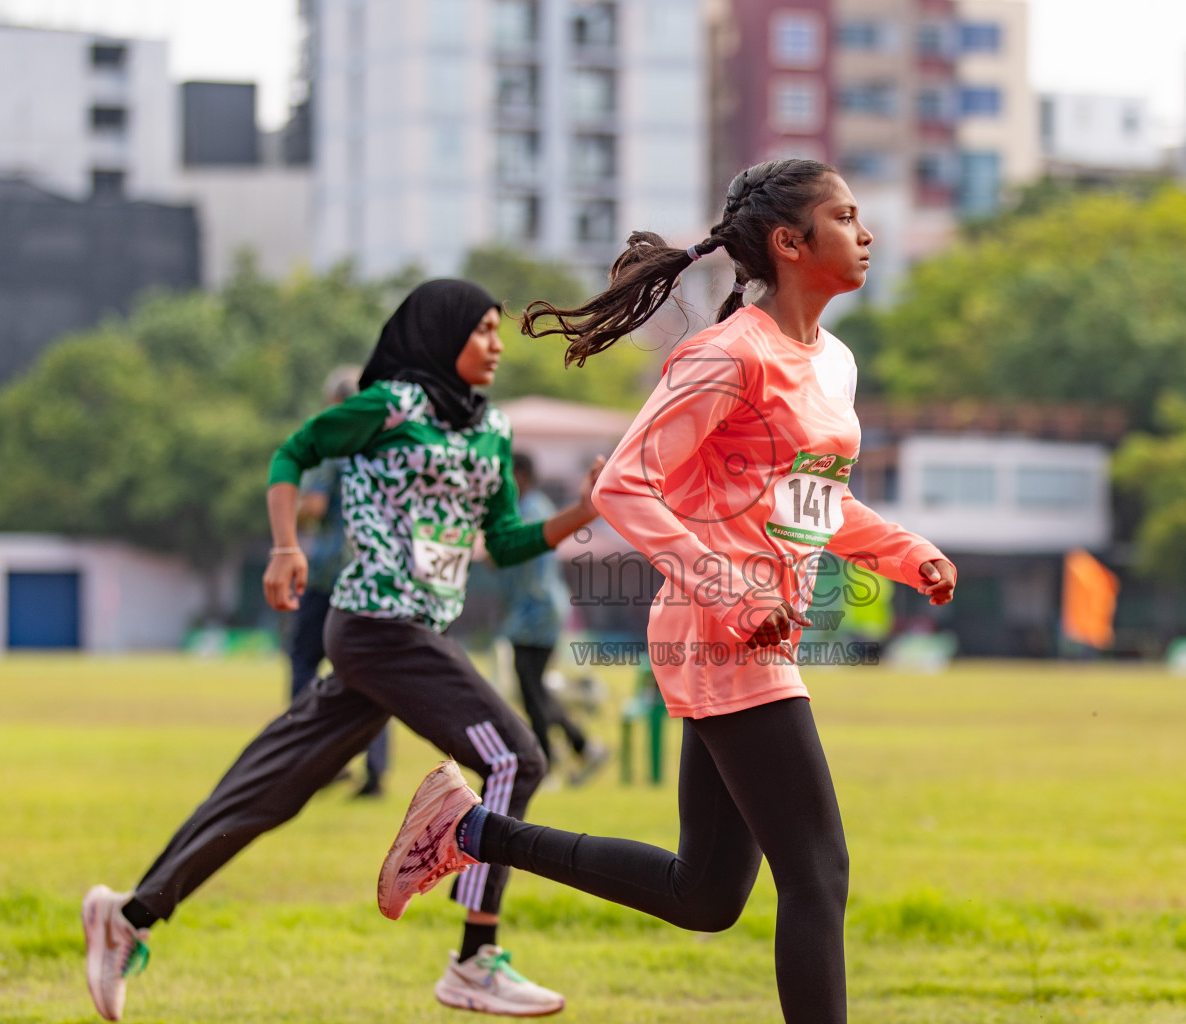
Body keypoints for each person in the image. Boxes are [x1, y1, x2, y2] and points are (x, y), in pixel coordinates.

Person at [375, 159, 958, 1024]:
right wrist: (730, 591)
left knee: (707, 894)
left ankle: (471, 830)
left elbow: (812, 501)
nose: (865, 233)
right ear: (791, 244)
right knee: (818, 872)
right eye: (846, 216)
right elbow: (625, 487)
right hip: (722, 633)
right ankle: (471, 831)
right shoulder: (728, 355)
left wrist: (909, 555)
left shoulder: (832, 362)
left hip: (761, 631)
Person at [82, 279, 605, 1021]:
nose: (496, 345)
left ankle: (127, 914)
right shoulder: (387, 407)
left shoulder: (492, 432)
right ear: (437, 334)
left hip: (413, 633)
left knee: (267, 788)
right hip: (377, 628)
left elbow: (505, 543)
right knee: (515, 758)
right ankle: (473, 958)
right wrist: (285, 548)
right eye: (483, 330)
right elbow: (292, 453)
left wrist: (587, 509)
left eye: (499, 332)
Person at [288, 364, 391, 797]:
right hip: (375, 575)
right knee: (372, 675)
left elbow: (312, 504)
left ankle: (311, 759)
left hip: (330, 574)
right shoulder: (386, 447)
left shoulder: (332, 446)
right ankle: (375, 770)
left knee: (303, 660)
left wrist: (287, 517)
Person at [497, 451, 609, 785]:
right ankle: (582, 746)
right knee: (535, 689)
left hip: (537, 613)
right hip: (531, 613)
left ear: (522, 476)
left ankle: (546, 765)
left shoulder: (532, 509)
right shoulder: (529, 507)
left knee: (531, 690)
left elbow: (522, 562)